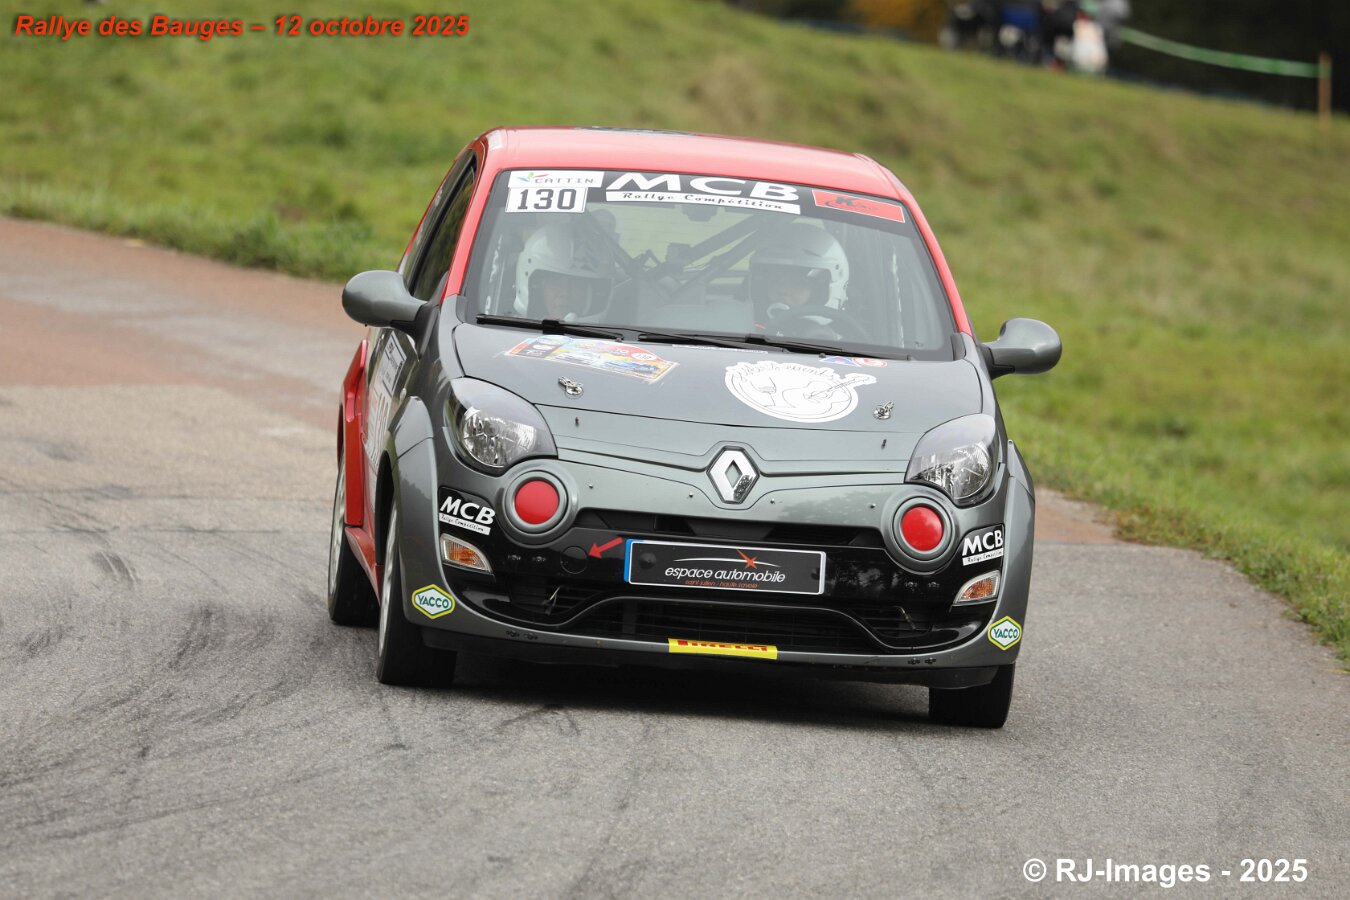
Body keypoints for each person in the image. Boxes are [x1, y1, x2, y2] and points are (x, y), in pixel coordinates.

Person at [748, 222, 850, 322]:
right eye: (775, 280)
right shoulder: (748, 324)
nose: (783, 290)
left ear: (820, 290)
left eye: (796, 283)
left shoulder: (843, 333)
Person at [513, 223, 614, 321]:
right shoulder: (510, 328)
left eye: (577, 284)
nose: (565, 293)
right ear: (537, 288)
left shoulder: (614, 331)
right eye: (555, 282)